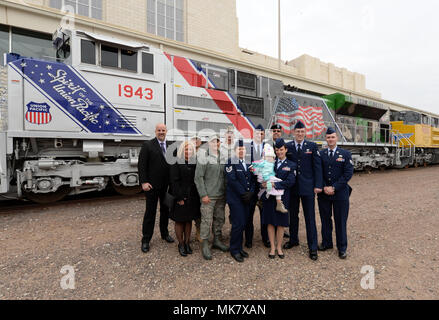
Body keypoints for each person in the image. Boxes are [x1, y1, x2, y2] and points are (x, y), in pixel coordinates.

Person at [284, 121, 323, 261]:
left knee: (310, 218)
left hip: (308, 188)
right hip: (293, 187)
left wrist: (318, 185)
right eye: (297, 131)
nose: (300, 134)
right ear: (293, 132)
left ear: (305, 133)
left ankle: (312, 247)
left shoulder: (312, 146)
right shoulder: (288, 147)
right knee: (293, 216)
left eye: (302, 132)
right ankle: (293, 240)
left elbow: (317, 167)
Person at [317, 127, 354, 259]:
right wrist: (324, 186)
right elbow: (317, 172)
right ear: (325, 139)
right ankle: (327, 243)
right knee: (325, 219)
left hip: (340, 194)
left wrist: (334, 187)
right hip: (324, 193)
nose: (330, 139)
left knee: (340, 220)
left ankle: (342, 247)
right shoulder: (320, 154)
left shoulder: (345, 154)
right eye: (328, 137)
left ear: (336, 138)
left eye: (332, 137)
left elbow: (348, 173)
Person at [138, 123, 175, 253]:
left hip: (166, 186)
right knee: (150, 212)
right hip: (152, 186)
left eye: (163, 130)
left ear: (166, 131)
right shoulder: (148, 145)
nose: (161, 132)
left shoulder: (171, 145)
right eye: (159, 130)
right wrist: (144, 182)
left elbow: (173, 165)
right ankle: (146, 239)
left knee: (165, 211)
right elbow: (142, 165)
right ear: (155, 131)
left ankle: (164, 234)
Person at [194, 134, 229, 260]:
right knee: (206, 221)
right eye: (213, 141)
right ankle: (204, 244)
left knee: (219, 219)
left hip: (221, 195)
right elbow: (198, 177)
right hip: (208, 196)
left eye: (218, 141)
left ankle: (217, 240)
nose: (216, 144)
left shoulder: (223, 156)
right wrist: (203, 194)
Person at [261, 138, 296, 259]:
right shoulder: (270, 162)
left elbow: (291, 181)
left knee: (281, 223)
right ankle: (272, 247)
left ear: (286, 150)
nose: (279, 152)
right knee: (270, 222)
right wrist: (264, 183)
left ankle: (279, 247)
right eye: (277, 150)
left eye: (281, 150)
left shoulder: (291, 165)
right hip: (269, 198)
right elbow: (263, 177)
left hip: (283, 198)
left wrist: (275, 184)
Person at [225, 140, 257, 263]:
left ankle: (239, 247)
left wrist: (251, 192)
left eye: (243, 149)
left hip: (247, 198)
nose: (241, 151)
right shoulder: (230, 162)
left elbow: (254, 179)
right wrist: (244, 193)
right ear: (234, 151)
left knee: (243, 223)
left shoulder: (249, 162)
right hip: (236, 198)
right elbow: (232, 180)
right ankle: (234, 250)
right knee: (238, 225)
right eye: (239, 149)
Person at [169, 140, 201, 257]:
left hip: (192, 195)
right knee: (179, 220)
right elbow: (174, 181)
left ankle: (187, 243)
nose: (189, 151)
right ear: (182, 150)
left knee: (188, 220)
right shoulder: (176, 162)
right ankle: (181, 244)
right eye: (187, 149)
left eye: (191, 149)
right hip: (180, 195)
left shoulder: (195, 162)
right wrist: (179, 197)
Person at [246, 124, 269, 248]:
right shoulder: (246, 147)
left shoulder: (268, 147)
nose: (259, 135)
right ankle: (249, 239)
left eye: (261, 133)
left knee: (264, 214)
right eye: (257, 133)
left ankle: (265, 238)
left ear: (264, 134)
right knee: (249, 214)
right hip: (250, 187)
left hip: (263, 187)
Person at [252, 144, 289, 213]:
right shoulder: (263, 163)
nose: (269, 159)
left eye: (271, 157)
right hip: (263, 177)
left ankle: (278, 202)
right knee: (270, 185)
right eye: (267, 157)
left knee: (277, 185)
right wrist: (253, 167)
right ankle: (263, 198)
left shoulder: (273, 163)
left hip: (270, 177)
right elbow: (256, 166)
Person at [190, 135, 203, 243]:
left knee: (200, 210)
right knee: (193, 209)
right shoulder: (188, 152)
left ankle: (199, 231)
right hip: (191, 186)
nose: (196, 141)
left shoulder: (204, 153)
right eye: (193, 139)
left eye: (198, 139)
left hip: (201, 185)